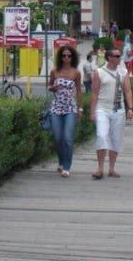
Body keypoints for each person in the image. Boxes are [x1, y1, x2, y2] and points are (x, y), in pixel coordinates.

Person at [89, 47, 133, 179]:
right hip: (102, 108)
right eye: (117, 56)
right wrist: (92, 112)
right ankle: (100, 168)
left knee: (116, 138)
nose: (120, 58)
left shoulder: (123, 72)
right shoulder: (99, 72)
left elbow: (128, 91)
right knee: (102, 135)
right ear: (109, 58)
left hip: (118, 109)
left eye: (120, 55)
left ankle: (112, 168)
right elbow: (95, 93)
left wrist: (130, 108)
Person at [48, 46, 85, 178]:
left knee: (67, 137)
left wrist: (80, 108)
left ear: (72, 57)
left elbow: (79, 91)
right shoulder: (54, 71)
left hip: (70, 108)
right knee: (58, 137)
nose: (66, 58)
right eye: (64, 56)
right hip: (56, 107)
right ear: (60, 57)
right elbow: (49, 87)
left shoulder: (76, 73)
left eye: (69, 56)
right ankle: (61, 159)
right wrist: (53, 88)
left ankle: (66, 166)